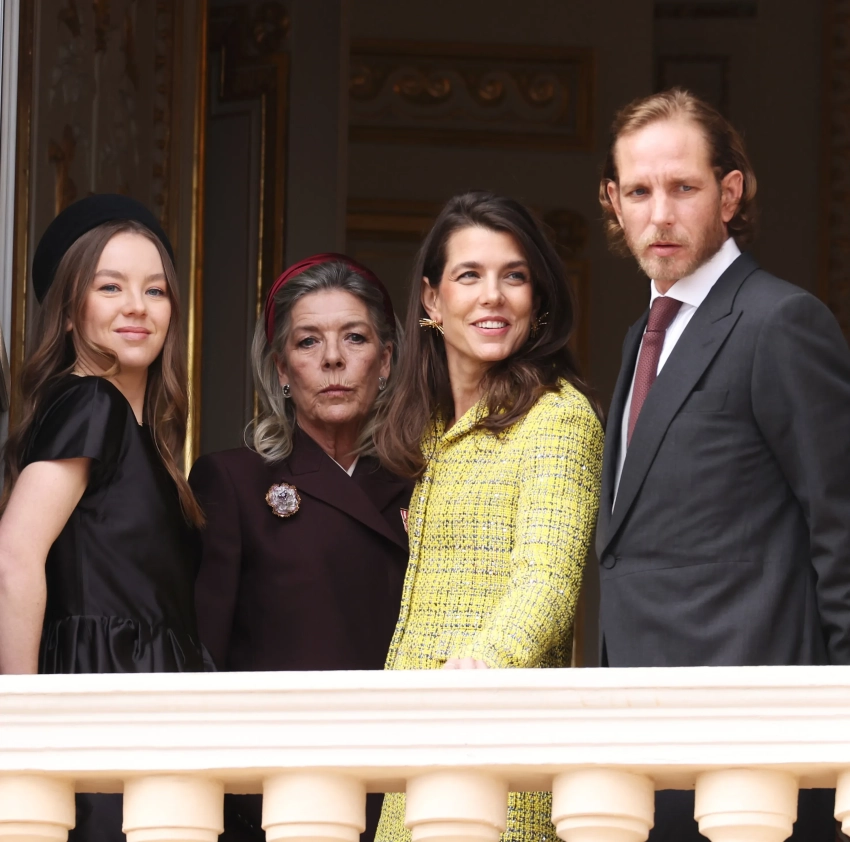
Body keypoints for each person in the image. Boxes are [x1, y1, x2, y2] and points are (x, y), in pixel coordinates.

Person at [597, 88, 850, 840]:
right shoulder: (642, 334)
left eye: (683, 188)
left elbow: (841, 529)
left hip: (754, 744)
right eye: (638, 192)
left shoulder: (782, 322)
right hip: (643, 736)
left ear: (730, 193)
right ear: (612, 202)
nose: (660, 215)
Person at [373, 191, 604, 842]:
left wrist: (479, 669)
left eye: (514, 276)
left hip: (497, 747)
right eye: (469, 275)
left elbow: (547, 581)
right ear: (432, 300)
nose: (493, 296)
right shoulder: (430, 429)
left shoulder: (557, 417)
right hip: (414, 752)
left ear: (539, 297)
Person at [0, 194, 207, 841]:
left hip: (146, 693)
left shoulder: (145, 436)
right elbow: (14, 557)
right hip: (101, 696)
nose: (137, 306)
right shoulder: (92, 402)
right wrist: (20, 718)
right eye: (110, 286)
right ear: (70, 311)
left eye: (155, 290)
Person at [190, 254, 411, 842]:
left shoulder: (426, 484)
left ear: (386, 361)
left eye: (355, 338)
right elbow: (202, 661)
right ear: (281, 369)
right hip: (275, 795)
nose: (333, 359)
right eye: (308, 341)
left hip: (400, 787)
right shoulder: (233, 481)